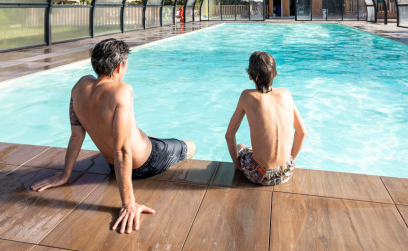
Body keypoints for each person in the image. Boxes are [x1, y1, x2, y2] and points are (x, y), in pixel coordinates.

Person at [31, 38, 196, 233]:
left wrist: (65, 175)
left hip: (114, 165)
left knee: (142, 132)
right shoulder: (122, 91)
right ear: (119, 66)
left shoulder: (79, 86)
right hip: (145, 162)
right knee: (190, 146)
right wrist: (129, 204)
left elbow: (76, 135)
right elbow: (122, 149)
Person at [225, 51, 307, 186]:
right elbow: (302, 133)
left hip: (259, 176)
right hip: (285, 172)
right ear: (275, 74)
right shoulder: (286, 94)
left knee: (241, 147)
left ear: (250, 76)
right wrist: (290, 160)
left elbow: (229, 136)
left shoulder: (247, 96)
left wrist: (237, 165)